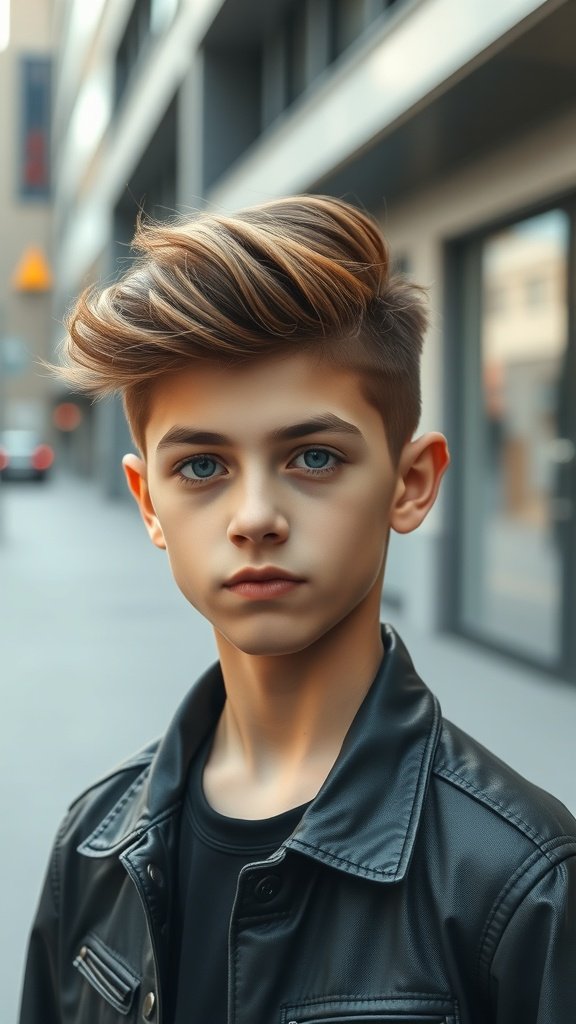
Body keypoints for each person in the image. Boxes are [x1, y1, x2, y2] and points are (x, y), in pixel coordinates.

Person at [19, 195, 575, 1024]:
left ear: (410, 482)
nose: (253, 517)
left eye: (313, 456)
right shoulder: (93, 841)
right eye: (202, 467)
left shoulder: (522, 880)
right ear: (147, 504)